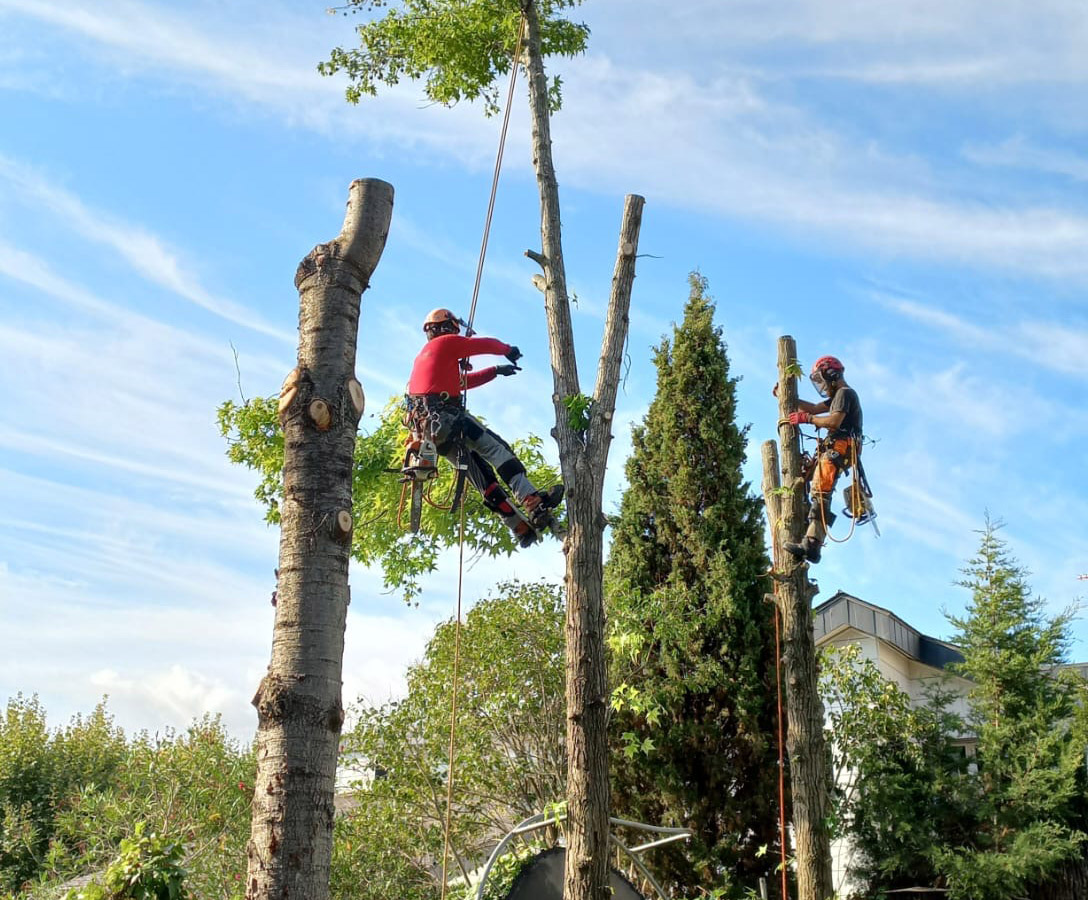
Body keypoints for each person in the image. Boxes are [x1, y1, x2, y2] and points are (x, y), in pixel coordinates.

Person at [405, 307, 564, 547]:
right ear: (444, 329)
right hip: (445, 417)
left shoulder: (425, 359)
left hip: (430, 433)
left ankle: (520, 528)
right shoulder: (445, 344)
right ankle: (532, 500)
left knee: (479, 474)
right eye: (451, 329)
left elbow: (463, 382)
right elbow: (485, 345)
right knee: (496, 449)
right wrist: (507, 350)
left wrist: (495, 372)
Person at [781, 355, 863, 564]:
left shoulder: (844, 394)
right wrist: (788, 397)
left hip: (839, 447)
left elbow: (834, 422)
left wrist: (807, 419)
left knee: (820, 492)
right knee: (817, 489)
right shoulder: (838, 396)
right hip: (838, 448)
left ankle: (811, 543)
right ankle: (812, 541)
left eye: (821, 379)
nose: (822, 385)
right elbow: (816, 408)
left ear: (831, 375)